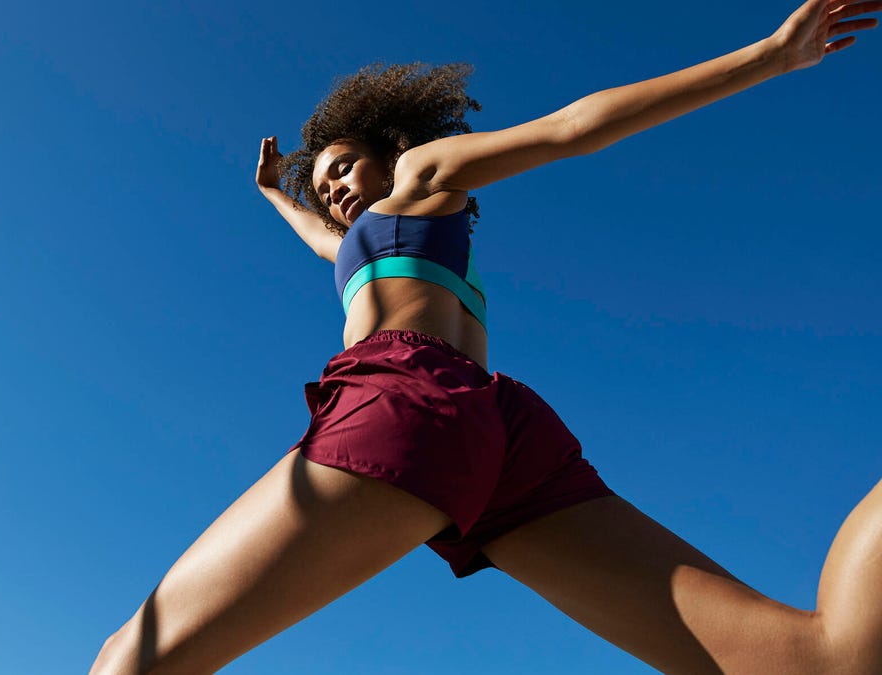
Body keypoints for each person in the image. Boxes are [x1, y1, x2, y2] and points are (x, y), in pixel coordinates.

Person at [90, 1, 882, 672]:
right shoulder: (374, 245)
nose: (330, 187)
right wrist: (275, 195)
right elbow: (323, 242)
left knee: (133, 658)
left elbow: (572, 127)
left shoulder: (421, 179)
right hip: (500, 440)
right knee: (819, 658)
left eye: (341, 165)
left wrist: (770, 56)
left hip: (407, 404)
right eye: (322, 184)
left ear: (389, 153)